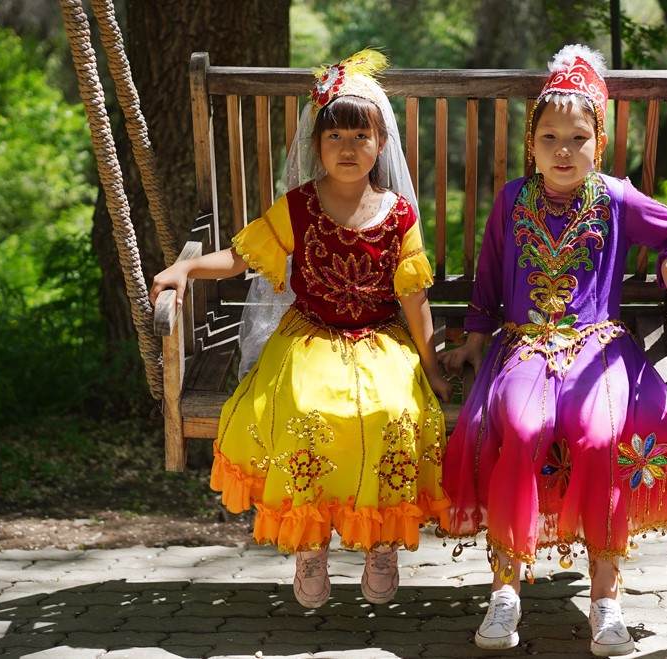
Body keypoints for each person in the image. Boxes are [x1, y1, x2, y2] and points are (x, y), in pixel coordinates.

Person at [149, 50, 452, 609]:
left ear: (381, 144)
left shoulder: (398, 215)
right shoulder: (300, 206)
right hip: (311, 335)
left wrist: (431, 368)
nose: (347, 147)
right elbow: (240, 258)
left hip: (381, 338)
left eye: (360, 135)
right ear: (316, 144)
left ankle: (381, 541)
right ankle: (310, 544)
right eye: (334, 135)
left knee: (393, 411)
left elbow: (414, 297)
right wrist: (186, 268)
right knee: (305, 409)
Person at [439, 44, 667, 657]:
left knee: (599, 436)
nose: (563, 151)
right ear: (531, 144)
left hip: (599, 352)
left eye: (578, 138)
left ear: (599, 142)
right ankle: (505, 588)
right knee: (520, 428)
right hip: (524, 347)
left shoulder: (615, 197)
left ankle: (606, 597)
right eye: (550, 138)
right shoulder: (512, 200)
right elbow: (488, 283)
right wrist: (473, 343)